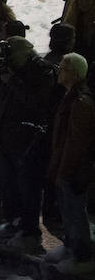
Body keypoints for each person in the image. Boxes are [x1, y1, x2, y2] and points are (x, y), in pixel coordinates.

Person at [0, 37, 57, 250]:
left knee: (28, 186)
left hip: (28, 139)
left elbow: (37, 104)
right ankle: (13, 221)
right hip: (7, 137)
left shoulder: (42, 71)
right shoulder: (11, 69)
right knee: (8, 184)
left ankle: (29, 229)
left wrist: (13, 80)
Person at [49, 53, 95, 268]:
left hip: (73, 168)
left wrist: (65, 169)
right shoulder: (70, 97)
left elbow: (77, 143)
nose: (59, 71)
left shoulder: (80, 102)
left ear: (75, 74)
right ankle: (71, 247)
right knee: (68, 209)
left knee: (75, 211)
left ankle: (82, 255)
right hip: (66, 166)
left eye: (64, 68)